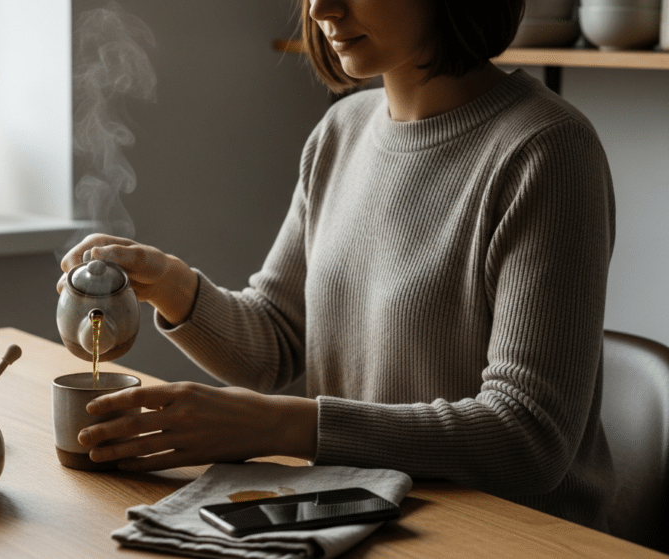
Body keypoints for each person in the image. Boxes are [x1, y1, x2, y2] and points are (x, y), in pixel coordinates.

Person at [59, 0, 616, 531]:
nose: (321, 9)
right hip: (357, 518)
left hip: (509, 539)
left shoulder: (546, 151)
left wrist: (276, 424)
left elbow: (529, 438)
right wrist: (173, 285)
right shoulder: (339, 133)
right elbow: (274, 341)